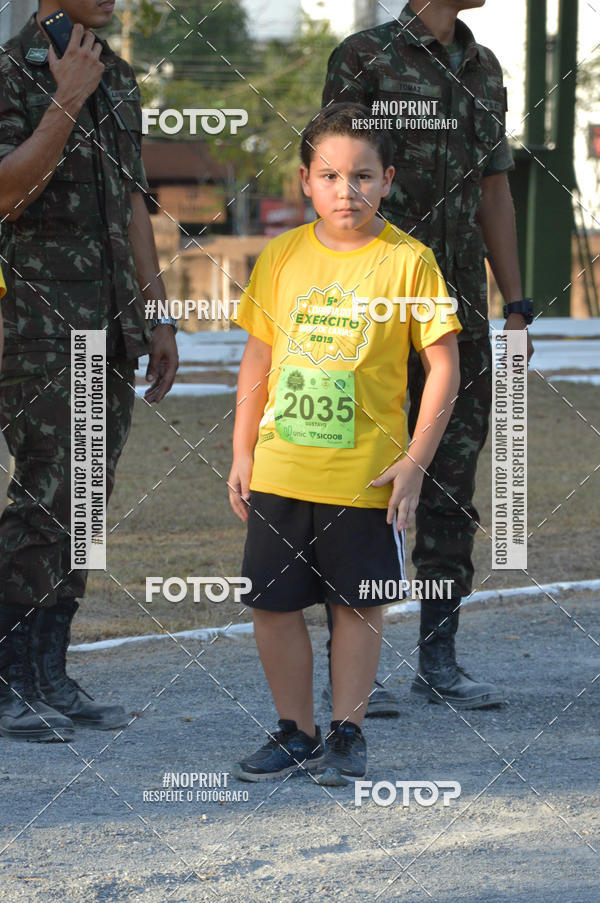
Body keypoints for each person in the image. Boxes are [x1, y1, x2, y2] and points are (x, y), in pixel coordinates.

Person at [228, 103, 461, 784]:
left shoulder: (409, 262)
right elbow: (257, 359)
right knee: (271, 606)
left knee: (357, 605)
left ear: (386, 179)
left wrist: (415, 461)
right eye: (329, 175)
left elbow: (443, 363)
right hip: (281, 468)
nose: (345, 190)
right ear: (305, 180)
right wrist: (242, 450)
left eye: (362, 175)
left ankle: (347, 732)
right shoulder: (281, 257)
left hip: (366, 476)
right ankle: (294, 731)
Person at [322, 0, 534, 711]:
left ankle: (438, 660)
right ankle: (355, 669)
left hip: (459, 317)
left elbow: (494, 189)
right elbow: (335, 180)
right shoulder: (364, 58)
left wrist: (515, 303)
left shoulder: (485, 68)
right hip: (375, 316)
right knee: (361, 483)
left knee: (450, 490)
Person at [0, 1, 178, 742]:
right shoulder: (12, 75)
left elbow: (134, 199)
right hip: (38, 324)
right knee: (46, 493)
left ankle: (50, 670)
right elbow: (5, 190)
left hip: (109, 323)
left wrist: (157, 310)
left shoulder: (120, 74)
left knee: (85, 499)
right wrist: (65, 99)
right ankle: (9, 680)